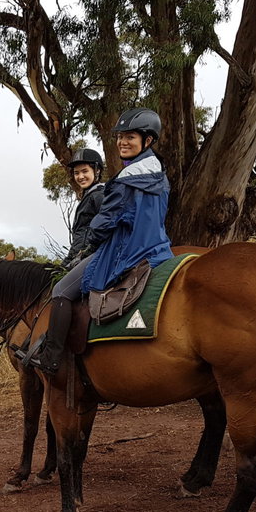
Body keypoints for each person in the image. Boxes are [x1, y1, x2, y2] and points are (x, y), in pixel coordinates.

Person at [25, 108, 174, 374]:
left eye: (130, 137)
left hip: (126, 251)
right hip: (158, 248)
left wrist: (88, 246)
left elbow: (104, 224)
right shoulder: (160, 176)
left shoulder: (125, 180)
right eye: (119, 137)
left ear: (147, 141)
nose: (122, 142)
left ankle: (52, 358)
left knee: (61, 289)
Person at [61, 148, 107, 268]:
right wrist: (68, 261)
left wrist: (84, 255)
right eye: (76, 173)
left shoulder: (99, 195)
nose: (80, 176)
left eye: (85, 171)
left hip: (92, 260)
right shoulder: (89, 196)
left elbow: (105, 229)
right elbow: (81, 237)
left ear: (97, 171)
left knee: (61, 288)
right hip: (79, 258)